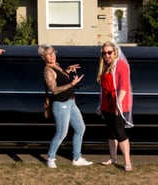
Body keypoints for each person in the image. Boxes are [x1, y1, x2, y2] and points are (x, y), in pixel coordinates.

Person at [39, 44, 93, 168]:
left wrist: (67, 70)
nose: (52, 56)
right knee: (62, 133)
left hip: (71, 102)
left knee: (80, 128)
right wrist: (71, 84)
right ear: (43, 57)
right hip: (61, 104)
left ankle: (77, 158)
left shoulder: (56, 66)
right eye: (48, 54)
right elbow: (54, 90)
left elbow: (61, 79)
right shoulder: (48, 71)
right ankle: (51, 158)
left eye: (53, 53)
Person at [96, 41, 134, 171]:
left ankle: (127, 162)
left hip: (119, 103)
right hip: (107, 104)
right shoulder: (105, 66)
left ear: (115, 52)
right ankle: (112, 158)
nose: (106, 55)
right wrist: (101, 105)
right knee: (110, 133)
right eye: (104, 53)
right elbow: (103, 88)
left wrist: (119, 103)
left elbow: (124, 86)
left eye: (109, 52)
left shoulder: (121, 65)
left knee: (120, 132)